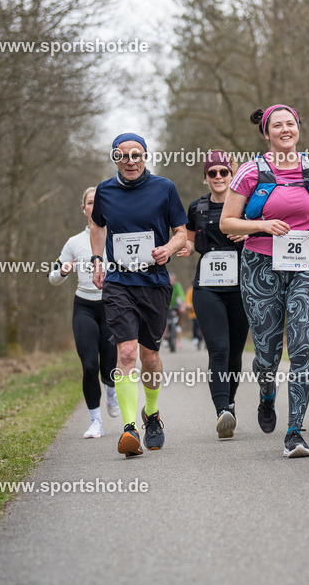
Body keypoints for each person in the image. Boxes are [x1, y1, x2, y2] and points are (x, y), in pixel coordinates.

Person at [220, 106, 309, 458]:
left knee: (301, 345)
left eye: (290, 124)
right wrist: (261, 225)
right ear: (266, 134)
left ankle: (295, 431)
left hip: (307, 264)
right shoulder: (250, 172)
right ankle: (266, 392)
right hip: (260, 265)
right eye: (277, 125)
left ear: (298, 129)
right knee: (267, 353)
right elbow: (227, 223)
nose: (285, 129)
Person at [90, 132, 189, 457]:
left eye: (136, 155)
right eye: (123, 155)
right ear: (115, 158)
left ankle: (153, 413)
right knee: (128, 354)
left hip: (155, 283)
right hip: (119, 283)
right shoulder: (105, 191)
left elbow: (181, 234)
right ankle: (130, 428)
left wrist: (168, 249)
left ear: (145, 156)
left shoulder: (164, 188)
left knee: (149, 356)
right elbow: (98, 226)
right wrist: (96, 260)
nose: (130, 161)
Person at [184, 150, 249, 439]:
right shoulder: (196, 208)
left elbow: (265, 233)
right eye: (213, 173)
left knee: (235, 353)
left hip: (242, 288)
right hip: (208, 287)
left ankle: (230, 404)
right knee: (219, 349)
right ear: (206, 178)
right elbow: (185, 237)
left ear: (232, 174)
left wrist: (249, 234)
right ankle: (221, 409)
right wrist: (180, 247)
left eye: (224, 171)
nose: (219, 177)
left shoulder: (248, 206)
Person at [48, 186, 120, 439]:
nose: (94, 207)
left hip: (111, 306)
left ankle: (111, 389)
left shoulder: (115, 238)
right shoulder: (74, 242)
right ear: (84, 208)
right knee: (89, 365)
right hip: (84, 307)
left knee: (109, 368)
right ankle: (95, 422)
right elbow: (53, 277)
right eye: (90, 202)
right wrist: (64, 270)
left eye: (98, 202)